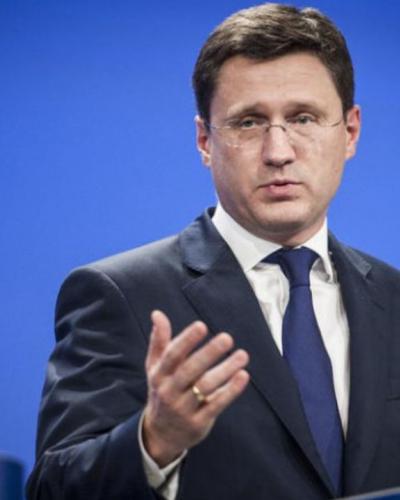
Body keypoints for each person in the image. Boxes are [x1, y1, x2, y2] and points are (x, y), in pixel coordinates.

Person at [27, 3, 400, 500]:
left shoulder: (394, 299)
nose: (279, 151)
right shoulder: (121, 295)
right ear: (205, 140)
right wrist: (154, 440)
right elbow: (54, 489)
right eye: (248, 122)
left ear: (350, 132)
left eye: (303, 118)